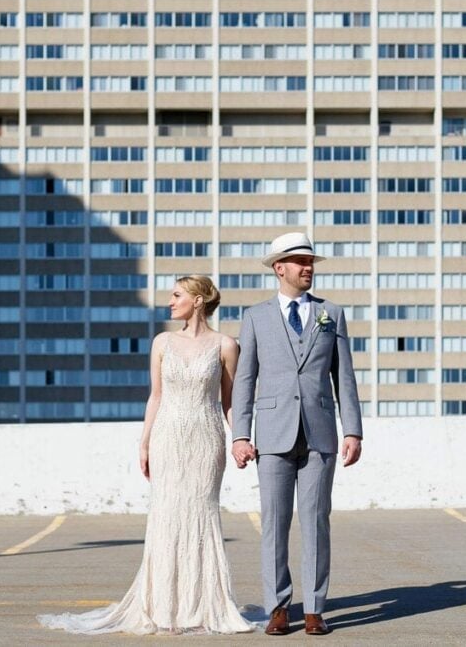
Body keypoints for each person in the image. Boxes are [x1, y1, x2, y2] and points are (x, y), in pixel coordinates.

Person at [39, 275, 255, 635]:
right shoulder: (162, 342)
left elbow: (230, 401)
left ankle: (202, 606)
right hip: (167, 438)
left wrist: (241, 439)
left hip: (206, 439)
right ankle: (163, 608)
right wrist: (143, 443)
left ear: (198, 300)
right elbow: (156, 396)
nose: (170, 302)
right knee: (166, 514)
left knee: (201, 515)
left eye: (177, 295)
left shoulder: (226, 345)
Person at [231, 231, 363, 636]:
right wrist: (240, 434)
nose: (308, 268)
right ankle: (277, 607)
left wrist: (353, 430)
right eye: (300, 262)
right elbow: (244, 380)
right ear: (279, 268)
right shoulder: (255, 317)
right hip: (271, 434)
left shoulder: (331, 314)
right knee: (273, 522)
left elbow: (345, 377)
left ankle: (315, 610)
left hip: (321, 432)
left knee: (316, 521)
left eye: (311, 262)